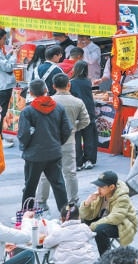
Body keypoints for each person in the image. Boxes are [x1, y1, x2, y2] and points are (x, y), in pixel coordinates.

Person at [18, 79, 71, 213]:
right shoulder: (58, 107)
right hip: (54, 152)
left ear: (30, 93)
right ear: (46, 90)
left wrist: (25, 147)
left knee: (30, 186)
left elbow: (23, 134)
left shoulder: (28, 111)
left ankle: (27, 215)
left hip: (34, 155)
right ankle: (66, 215)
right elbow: (67, 130)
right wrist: (58, 143)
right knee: (59, 184)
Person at [36, 74, 89, 208]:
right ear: (68, 85)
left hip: (49, 142)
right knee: (70, 172)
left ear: (53, 86)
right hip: (69, 141)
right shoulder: (78, 102)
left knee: (45, 172)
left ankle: (42, 201)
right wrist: (73, 128)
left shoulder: (48, 101)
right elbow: (86, 121)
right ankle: (73, 201)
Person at [79, 170, 138, 255]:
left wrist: (92, 226)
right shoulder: (101, 195)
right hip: (106, 219)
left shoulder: (122, 198)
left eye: (102, 187)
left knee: (100, 230)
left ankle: (105, 259)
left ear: (111, 187)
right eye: (98, 186)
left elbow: (115, 218)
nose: (98, 189)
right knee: (81, 222)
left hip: (123, 224)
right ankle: (78, 254)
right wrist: (87, 203)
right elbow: (85, 215)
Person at [70, 61, 98, 170]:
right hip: (89, 110)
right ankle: (89, 160)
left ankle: (78, 162)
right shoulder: (87, 82)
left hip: (76, 112)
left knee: (76, 137)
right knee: (89, 136)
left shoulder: (71, 82)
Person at [0, 28, 18, 148]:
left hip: (3, 85)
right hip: (3, 86)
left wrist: (10, 54)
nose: (5, 41)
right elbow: (7, 67)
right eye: (4, 39)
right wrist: (15, 56)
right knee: (2, 113)